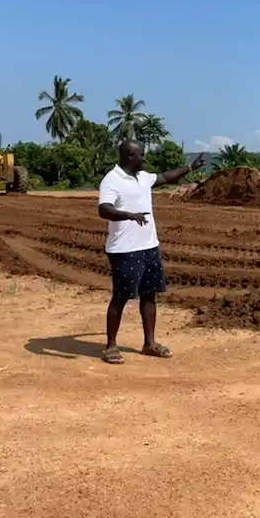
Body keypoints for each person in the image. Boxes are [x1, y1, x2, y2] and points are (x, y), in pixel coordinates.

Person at [97, 140, 206, 364]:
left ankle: (149, 343)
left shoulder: (143, 177)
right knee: (121, 297)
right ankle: (110, 346)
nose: (144, 158)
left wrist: (190, 167)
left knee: (149, 295)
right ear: (130, 156)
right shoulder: (112, 180)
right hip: (125, 250)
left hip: (149, 247)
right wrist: (128, 215)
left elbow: (165, 177)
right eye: (141, 155)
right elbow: (104, 209)